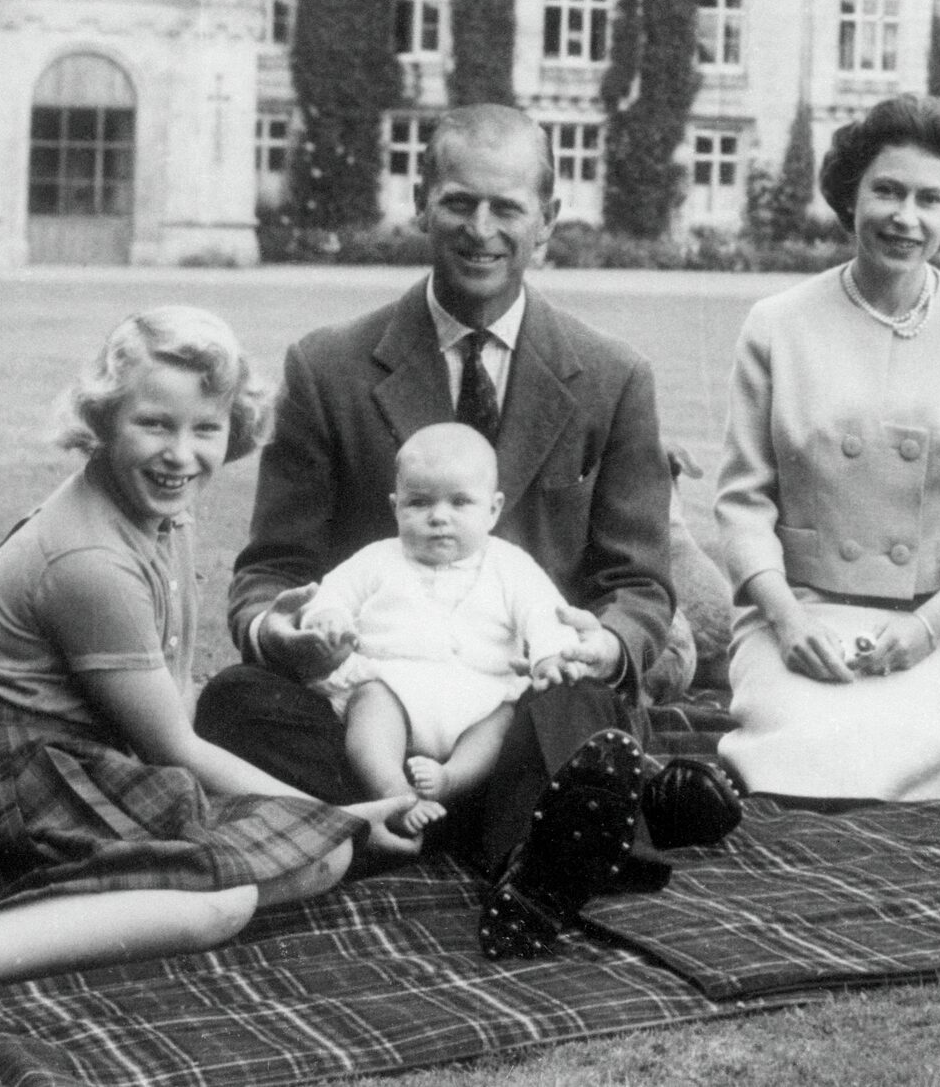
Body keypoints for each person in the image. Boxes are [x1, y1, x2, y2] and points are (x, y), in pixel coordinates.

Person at [0, 307, 421, 1039]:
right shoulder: (89, 560)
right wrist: (337, 814)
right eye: (155, 425)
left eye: (206, 429)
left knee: (308, 860)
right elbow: (175, 749)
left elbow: (174, 693)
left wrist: (312, 826)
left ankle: (18, 899)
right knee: (222, 899)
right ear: (103, 420)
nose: (181, 454)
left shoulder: (162, 515)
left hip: (56, 756)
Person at [195, 104, 743, 960]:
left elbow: (638, 585)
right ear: (421, 203)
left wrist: (605, 645)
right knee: (235, 704)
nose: (480, 230)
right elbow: (270, 570)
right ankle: (550, 831)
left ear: (549, 221)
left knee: (585, 706)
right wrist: (283, 629)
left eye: (507, 208)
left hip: (525, 703)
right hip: (367, 703)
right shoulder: (328, 366)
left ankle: (417, 828)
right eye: (458, 202)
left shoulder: (612, 377)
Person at [715, 93, 940, 800]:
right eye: (886, 191)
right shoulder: (776, 326)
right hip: (798, 613)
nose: (905, 217)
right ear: (849, 196)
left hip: (929, 623)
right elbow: (742, 504)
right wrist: (788, 619)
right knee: (805, 746)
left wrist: (927, 629)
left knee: (900, 750)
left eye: (929, 199)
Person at [296, 423, 585, 834]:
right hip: (395, 684)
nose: (439, 518)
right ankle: (393, 792)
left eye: (460, 502)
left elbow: (543, 611)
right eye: (419, 503)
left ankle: (452, 780)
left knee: (501, 722)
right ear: (396, 506)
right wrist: (329, 618)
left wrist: (549, 654)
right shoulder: (378, 559)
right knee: (371, 706)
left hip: (479, 694)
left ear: (494, 509)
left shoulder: (511, 565)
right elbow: (333, 594)